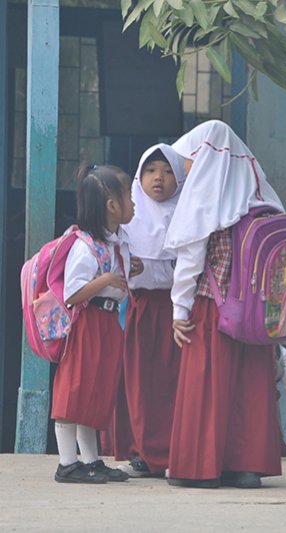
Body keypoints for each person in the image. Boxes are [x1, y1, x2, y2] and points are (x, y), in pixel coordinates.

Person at [166, 120, 285, 489]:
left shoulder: (207, 196)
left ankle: (199, 468)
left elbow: (190, 260)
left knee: (206, 385)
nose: (185, 169)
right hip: (257, 311)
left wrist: (179, 309)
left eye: (188, 160)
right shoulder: (262, 196)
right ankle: (246, 467)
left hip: (211, 307)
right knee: (249, 384)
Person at [52, 163, 137, 484]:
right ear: (112, 205)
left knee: (94, 392)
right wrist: (104, 279)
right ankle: (66, 463)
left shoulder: (116, 241)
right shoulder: (85, 246)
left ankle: (90, 460)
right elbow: (73, 293)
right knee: (74, 391)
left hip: (107, 323)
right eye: (129, 195)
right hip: (87, 324)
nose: (133, 202)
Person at [116, 144, 186, 478]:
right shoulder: (126, 220)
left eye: (168, 170)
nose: (159, 178)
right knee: (140, 382)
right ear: (139, 177)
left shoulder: (189, 215)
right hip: (139, 310)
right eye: (151, 170)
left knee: (173, 383)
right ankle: (142, 452)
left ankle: (176, 450)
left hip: (178, 313)